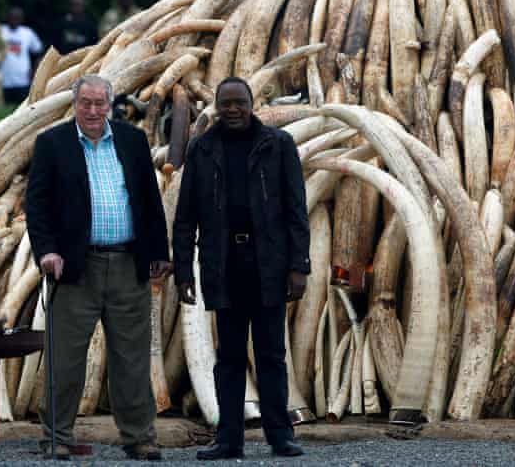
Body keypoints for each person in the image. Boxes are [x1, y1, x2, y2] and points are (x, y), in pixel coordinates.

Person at [25, 74, 171, 461]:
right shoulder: (52, 144)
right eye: (85, 103)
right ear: (74, 105)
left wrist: (158, 249)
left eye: (99, 104)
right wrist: (47, 252)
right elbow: (36, 207)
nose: (92, 111)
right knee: (66, 356)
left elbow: (149, 201)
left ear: (110, 105)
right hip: (75, 267)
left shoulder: (132, 140)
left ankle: (139, 436)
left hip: (128, 262)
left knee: (132, 355)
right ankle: (56, 436)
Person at [173, 77, 310, 460]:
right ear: (216, 106)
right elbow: (185, 218)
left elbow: (296, 210)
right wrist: (184, 272)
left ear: (253, 105)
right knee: (229, 356)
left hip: (269, 264)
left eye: (240, 103)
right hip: (223, 265)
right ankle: (229, 438)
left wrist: (299, 265)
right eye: (226, 104)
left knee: (271, 354)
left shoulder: (277, 145)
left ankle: (279, 436)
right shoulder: (202, 149)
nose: (233, 110)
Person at [0, 7, 43, 104]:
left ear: (22, 19)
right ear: (7, 17)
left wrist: (35, 72)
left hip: (23, 80)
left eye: (17, 18)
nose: (15, 20)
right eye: (12, 17)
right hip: (3, 80)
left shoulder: (27, 33)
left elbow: (38, 53)